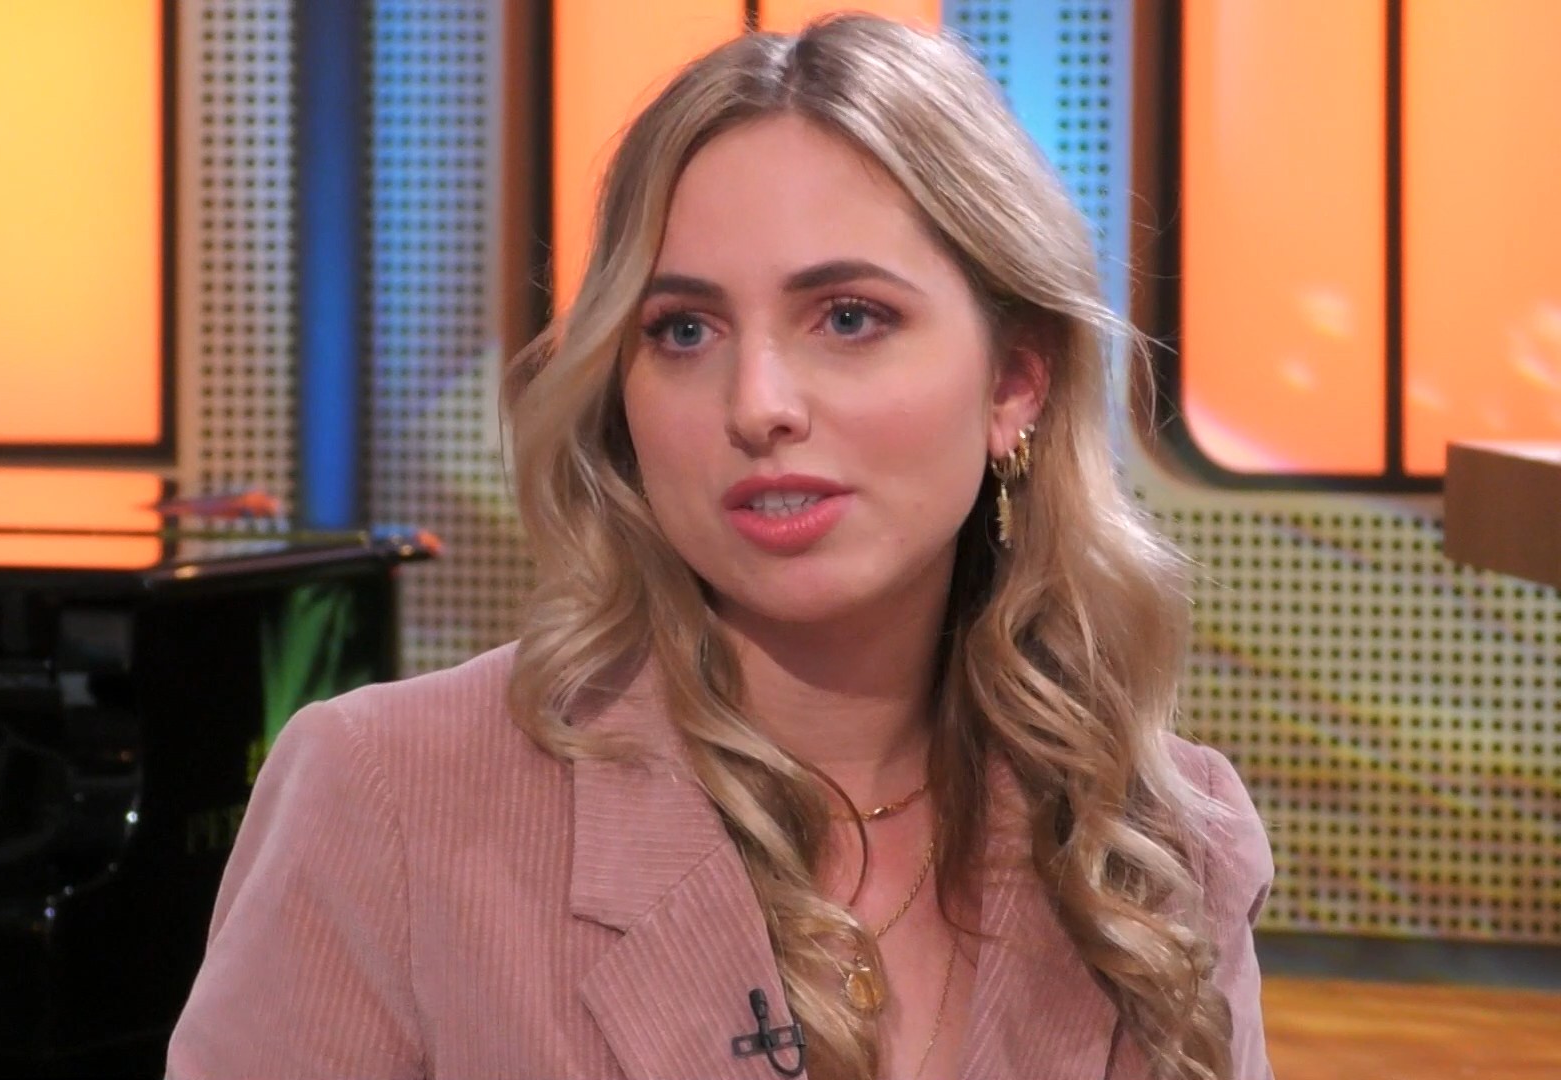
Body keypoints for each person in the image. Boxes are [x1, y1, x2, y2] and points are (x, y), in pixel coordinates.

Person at [166, 13, 1273, 1080]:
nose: (758, 405)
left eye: (848, 317)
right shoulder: (387, 798)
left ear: (1014, 383)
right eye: (684, 330)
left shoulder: (1166, 843)